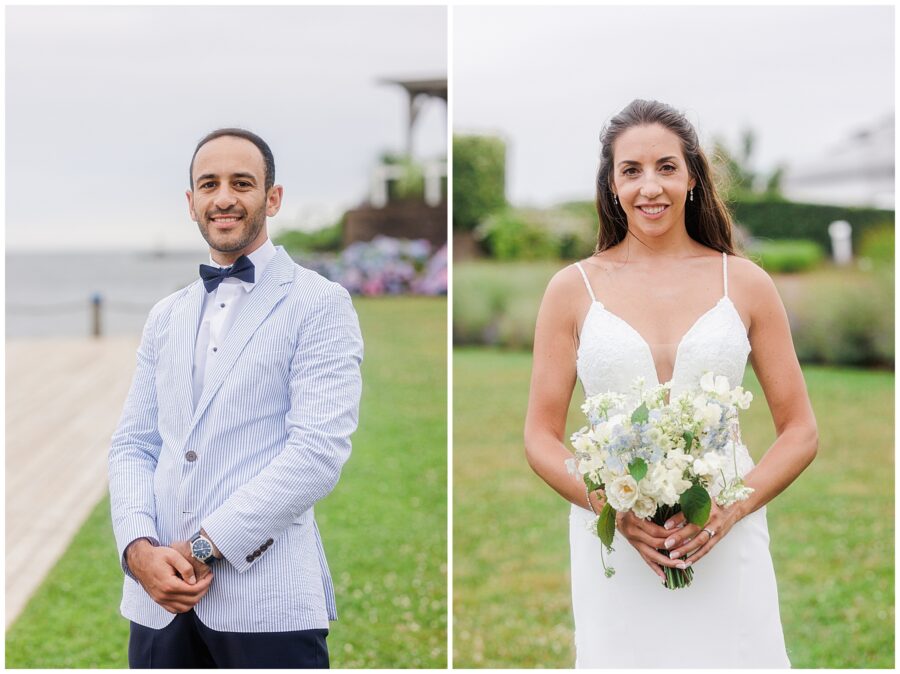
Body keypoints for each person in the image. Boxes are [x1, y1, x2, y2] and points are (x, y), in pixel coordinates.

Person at [524, 100, 817, 668]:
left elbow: (801, 430)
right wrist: (613, 507)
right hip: (617, 542)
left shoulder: (747, 282)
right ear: (611, 185)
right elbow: (539, 435)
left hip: (725, 541)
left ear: (692, 178)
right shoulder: (571, 289)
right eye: (630, 170)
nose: (648, 186)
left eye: (665, 166)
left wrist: (729, 512)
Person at [108, 128, 363, 668]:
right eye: (209, 184)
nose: (223, 197)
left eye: (241, 183)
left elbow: (317, 454)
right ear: (191, 202)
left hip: (266, 606)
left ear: (272, 197)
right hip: (156, 606)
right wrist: (139, 552)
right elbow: (134, 443)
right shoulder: (165, 315)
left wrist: (201, 547)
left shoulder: (321, 304)